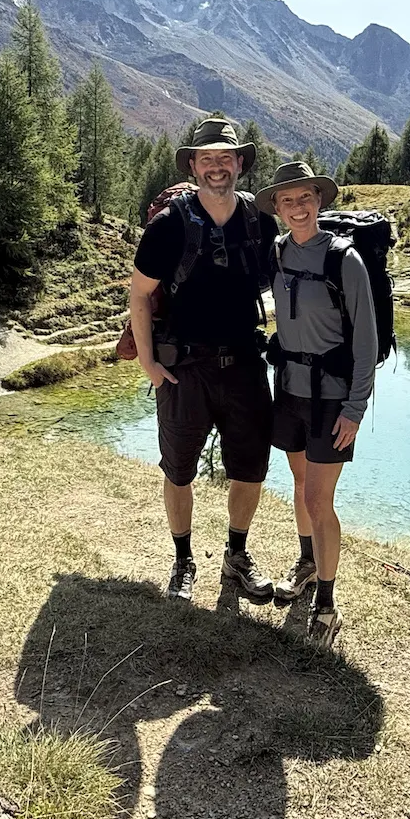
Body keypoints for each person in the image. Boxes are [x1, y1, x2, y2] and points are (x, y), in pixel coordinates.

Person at [128, 118, 279, 603]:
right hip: (183, 369)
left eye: (225, 157)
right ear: (194, 166)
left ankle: (236, 556)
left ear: (240, 163)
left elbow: (286, 285)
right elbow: (139, 295)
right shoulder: (170, 224)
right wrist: (149, 364)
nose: (217, 166)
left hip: (244, 366)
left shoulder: (261, 222)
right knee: (178, 471)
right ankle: (182, 560)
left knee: (250, 469)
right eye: (207, 158)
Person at [257, 162, 377, 650]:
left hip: (332, 399)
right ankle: (308, 565)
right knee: (301, 484)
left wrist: (356, 407)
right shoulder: (279, 253)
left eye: (305, 197)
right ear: (279, 209)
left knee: (316, 500)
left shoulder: (344, 260)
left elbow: (366, 341)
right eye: (288, 201)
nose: (298, 207)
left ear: (319, 201)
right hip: (289, 391)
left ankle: (327, 605)